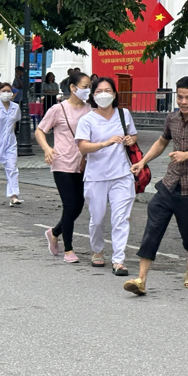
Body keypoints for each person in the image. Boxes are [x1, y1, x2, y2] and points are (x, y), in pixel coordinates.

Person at [123, 76, 188, 295]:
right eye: (180, 97)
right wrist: (142, 161)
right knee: (153, 226)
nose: (184, 102)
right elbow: (162, 141)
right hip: (169, 184)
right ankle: (141, 279)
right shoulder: (172, 118)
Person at [76, 77, 138, 273]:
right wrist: (105, 143)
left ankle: (118, 259)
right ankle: (97, 250)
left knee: (121, 218)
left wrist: (130, 139)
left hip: (122, 174)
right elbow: (83, 146)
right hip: (96, 176)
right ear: (93, 96)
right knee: (98, 218)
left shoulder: (124, 114)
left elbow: (133, 135)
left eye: (108, 90)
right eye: (99, 91)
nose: (104, 94)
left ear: (114, 94)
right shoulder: (87, 119)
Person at [37, 71, 92, 263]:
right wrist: (47, 149)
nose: (88, 90)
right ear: (72, 88)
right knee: (70, 205)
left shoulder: (90, 109)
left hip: (83, 163)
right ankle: (68, 249)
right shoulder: (57, 109)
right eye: (85, 87)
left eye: (89, 87)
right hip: (61, 162)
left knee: (78, 205)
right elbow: (40, 130)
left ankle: (54, 232)